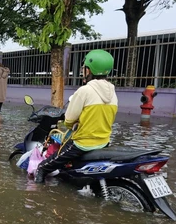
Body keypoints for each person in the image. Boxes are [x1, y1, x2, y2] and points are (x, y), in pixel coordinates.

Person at [34, 49, 118, 183]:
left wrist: (71, 124)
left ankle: (36, 197)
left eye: (85, 68)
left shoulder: (84, 91)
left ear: (89, 70)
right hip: (104, 142)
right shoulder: (113, 92)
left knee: (43, 167)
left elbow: (69, 120)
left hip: (82, 143)